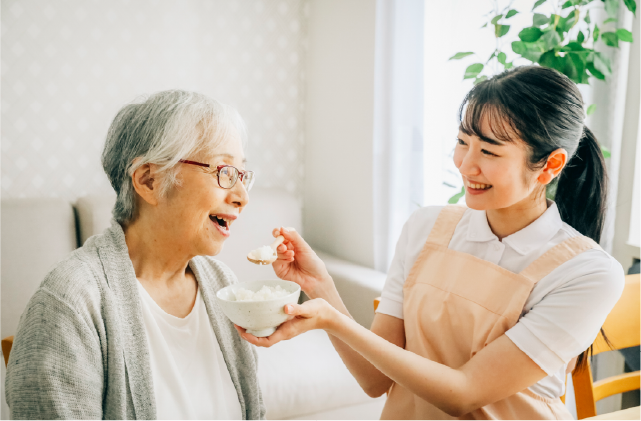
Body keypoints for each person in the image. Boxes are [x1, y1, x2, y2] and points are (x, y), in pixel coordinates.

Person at [237, 66, 625, 420]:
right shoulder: (426, 227)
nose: (465, 164)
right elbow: (375, 381)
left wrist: (332, 320)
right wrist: (319, 286)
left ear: (551, 165)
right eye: (462, 141)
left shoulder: (587, 273)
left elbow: (463, 393)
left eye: (489, 151)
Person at [6, 90, 266, 421]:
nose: (242, 196)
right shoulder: (70, 303)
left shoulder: (222, 284)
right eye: (224, 171)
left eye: (242, 174)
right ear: (149, 181)